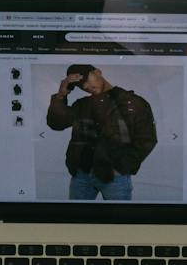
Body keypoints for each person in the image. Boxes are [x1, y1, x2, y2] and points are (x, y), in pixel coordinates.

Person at [46, 64, 158, 201]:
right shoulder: (82, 104)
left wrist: (122, 167)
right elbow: (56, 123)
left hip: (114, 178)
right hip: (81, 176)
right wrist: (61, 94)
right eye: (81, 85)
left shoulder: (132, 102)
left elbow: (147, 139)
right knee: (76, 221)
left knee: (118, 221)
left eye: (86, 79)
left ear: (97, 72)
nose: (86, 86)